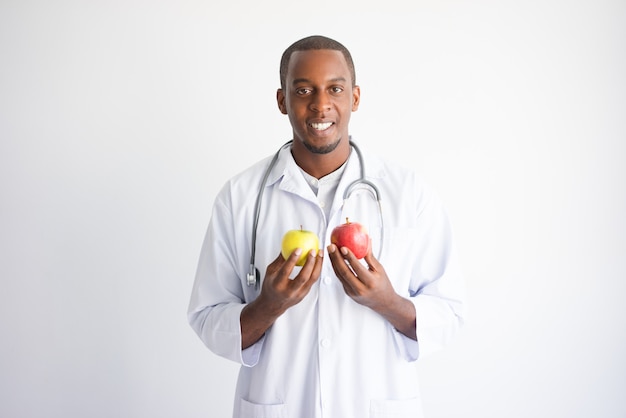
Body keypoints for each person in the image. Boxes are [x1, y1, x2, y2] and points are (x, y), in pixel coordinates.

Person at [188, 35, 466, 418]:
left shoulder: (408, 193)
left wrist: (386, 302)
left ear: (354, 97)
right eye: (303, 90)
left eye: (334, 88)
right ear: (282, 100)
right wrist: (269, 306)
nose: (321, 104)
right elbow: (207, 318)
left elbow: (450, 313)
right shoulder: (240, 197)